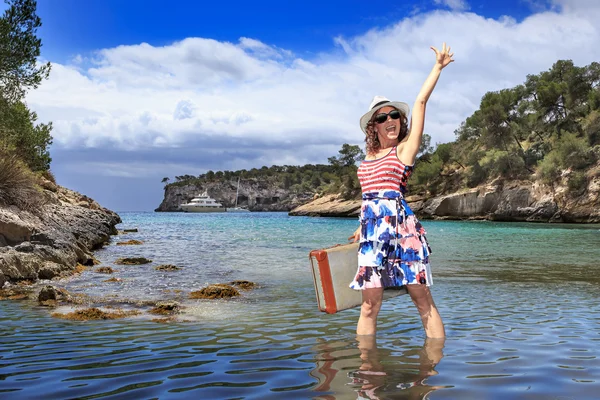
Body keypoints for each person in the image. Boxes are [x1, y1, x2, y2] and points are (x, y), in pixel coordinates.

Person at [348, 43, 454, 338]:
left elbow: (420, 102)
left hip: (403, 233)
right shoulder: (367, 160)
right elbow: (369, 200)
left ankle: (433, 371)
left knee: (422, 301)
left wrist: (437, 67)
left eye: (394, 115)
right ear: (374, 127)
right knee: (369, 305)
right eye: (382, 118)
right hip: (372, 235)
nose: (390, 121)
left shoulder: (405, 151)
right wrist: (362, 227)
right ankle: (367, 375)